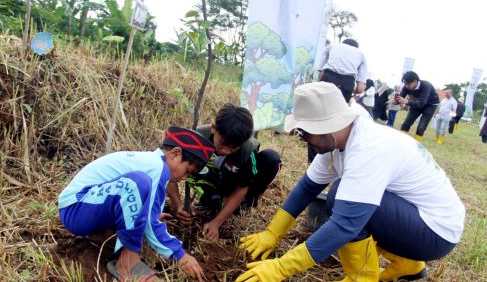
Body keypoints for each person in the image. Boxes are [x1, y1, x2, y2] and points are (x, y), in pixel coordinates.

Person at [236, 82, 465, 282]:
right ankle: (407, 265)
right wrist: (272, 233)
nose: (302, 138)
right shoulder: (335, 142)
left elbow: (345, 225)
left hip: (435, 233)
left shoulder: (368, 149)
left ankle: (362, 278)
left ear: (326, 126)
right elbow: (307, 188)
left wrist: (280, 268)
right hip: (413, 217)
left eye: (304, 132)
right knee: (345, 197)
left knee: (341, 198)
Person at [58, 126, 216, 282]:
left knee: (139, 187)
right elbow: (149, 221)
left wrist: (148, 215)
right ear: (175, 153)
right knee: (138, 183)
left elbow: (141, 211)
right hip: (76, 209)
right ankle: (127, 263)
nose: (184, 178)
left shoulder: (152, 163)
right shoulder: (157, 167)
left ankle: (102, 237)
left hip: (84, 208)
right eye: (187, 171)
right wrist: (180, 255)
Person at [167, 104, 282, 241]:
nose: (226, 151)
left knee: (271, 158)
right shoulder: (195, 139)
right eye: (223, 143)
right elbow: (168, 169)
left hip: (231, 182)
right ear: (214, 128)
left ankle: (243, 204)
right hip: (207, 182)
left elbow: (242, 187)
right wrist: (178, 205)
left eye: (233, 147)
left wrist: (217, 222)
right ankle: (208, 201)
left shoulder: (247, 150)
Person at [396, 71, 440, 141]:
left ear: (415, 81)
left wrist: (407, 101)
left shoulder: (426, 86)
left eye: (408, 84)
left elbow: (421, 103)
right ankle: (401, 141)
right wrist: (395, 100)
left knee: (421, 127)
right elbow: (400, 98)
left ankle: (417, 145)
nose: (406, 86)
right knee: (406, 123)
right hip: (417, 103)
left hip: (430, 105)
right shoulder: (406, 87)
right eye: (405, 84)